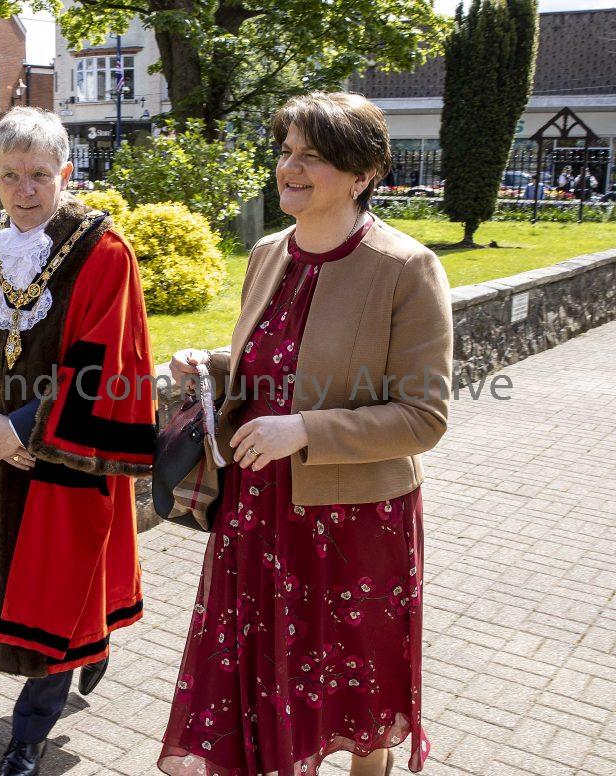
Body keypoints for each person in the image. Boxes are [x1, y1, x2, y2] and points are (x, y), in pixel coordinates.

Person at [159, 92, 453, 776]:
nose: (289, 168)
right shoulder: (268, 253)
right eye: (286, 151)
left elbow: (425, 416)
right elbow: (276, 363)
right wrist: (214, 365)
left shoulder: (406, 268)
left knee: (358, 683)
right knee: (267, 676)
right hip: (259, 508)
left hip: (354, 519)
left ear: (361, 174)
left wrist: (304, 429)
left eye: (311, 156)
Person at [0, 107, 155, 776]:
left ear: (66, 172)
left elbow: (104, 361)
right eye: (10, 176)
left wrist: (22, 427)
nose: (25, 190)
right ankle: (91, 641)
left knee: (56, 592)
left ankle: (29, 735)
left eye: (38, 175)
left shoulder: (103, 252)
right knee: (23, 590)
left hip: (60, 454)